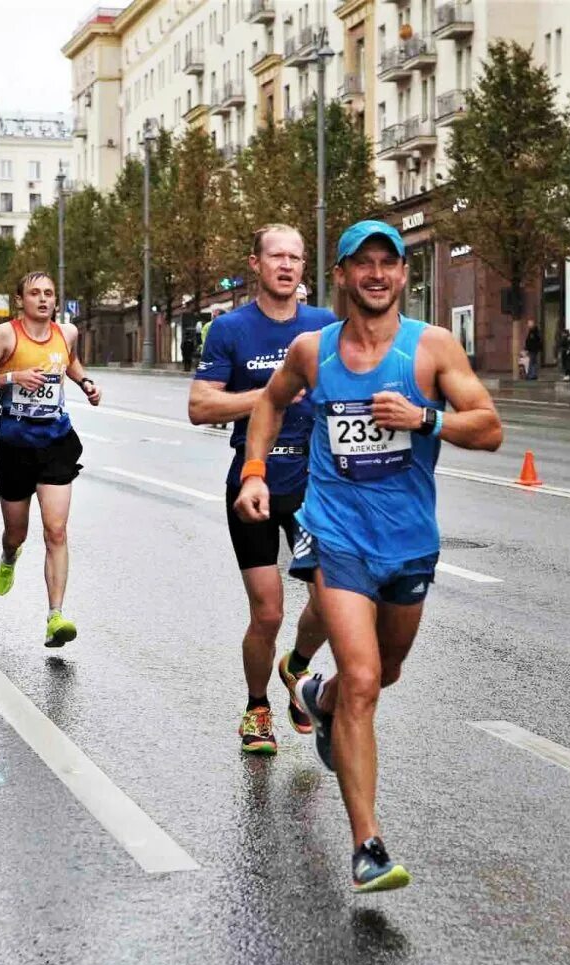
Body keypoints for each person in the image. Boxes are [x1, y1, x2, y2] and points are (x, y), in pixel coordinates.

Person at [235, 220, 503, 892]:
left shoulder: (431, 348)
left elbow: (490, 427)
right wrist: (255, 473)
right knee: (362, 678)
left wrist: (425, 418)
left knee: (386, 671)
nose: (377, 275)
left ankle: (316, 696)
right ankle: (369, 845)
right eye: (364, 264)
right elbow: (268, 406)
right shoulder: (313, 350)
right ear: (343, 276)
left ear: (404, 275)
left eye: (389, 263)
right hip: (336, 534)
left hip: (408, 541)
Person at [189, 223, 336, 755]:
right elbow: (200, 406)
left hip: (312, 484)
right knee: (268, 611)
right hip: (252, 480)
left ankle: (296, 667)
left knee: (331, 601)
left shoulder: (325, 326)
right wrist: (269, 395)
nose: (287, 265)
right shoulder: (230, 329)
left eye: (295, 257)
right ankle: (257, 708)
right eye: (276, 256)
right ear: (256, 264)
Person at [0, 272, 102, 646]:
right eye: (35, 293)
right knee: (17, 532)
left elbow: (70, 361)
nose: (43, 299)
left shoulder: (67, 332)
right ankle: (9, 556)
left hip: (56, 440)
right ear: (20, 300)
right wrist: (13, 377)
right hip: (15, 443)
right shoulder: (5, 336)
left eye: (49, 294)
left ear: (56, 300)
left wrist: (86, 383)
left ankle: (55, 616)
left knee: (56, 530)